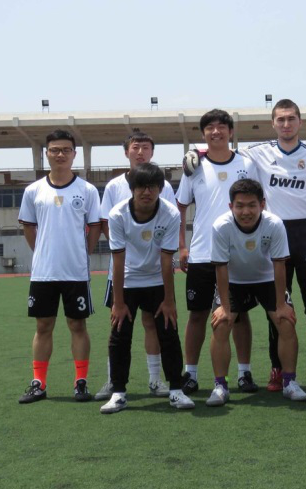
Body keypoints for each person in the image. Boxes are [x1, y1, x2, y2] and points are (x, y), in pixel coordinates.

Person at [242, 99, 306, 391]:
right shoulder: (258, 152)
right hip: (275, 234)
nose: (286, 124)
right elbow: (224, 155)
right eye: (281, 119)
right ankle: (278, 369)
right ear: (273, 124)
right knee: (278, 306)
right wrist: (196, 154)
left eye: (291, 119)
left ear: (300, 122)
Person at [176, 109, 260, 395]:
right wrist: (183, 246)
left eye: (221, 126)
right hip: (202, 253)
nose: (216, 131)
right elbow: (181, 206)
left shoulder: (246, 164)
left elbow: (259, 203)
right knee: (197, 315)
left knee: (240, 315)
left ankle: (244, 373)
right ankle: (190, 374)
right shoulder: (193, 166)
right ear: (203, 134)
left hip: (239, 255)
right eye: (210, 127)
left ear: (230, 132)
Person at [101, 163, 194, 413]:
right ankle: (118, 393)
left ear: (160, 189)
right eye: (141, 187)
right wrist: (118, 303)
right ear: (132, 189)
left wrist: (169, 300)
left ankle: (176, 390)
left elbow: (166, 259)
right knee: (120, 335)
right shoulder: (118, 214)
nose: (146, 192)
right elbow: (118, 259)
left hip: (156, 280)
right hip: (128, 280)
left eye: (152, 187)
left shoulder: (170, 214)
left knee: (169, 332)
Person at [17, 129, 102, 404]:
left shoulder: (87, 190)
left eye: (66, 150)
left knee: (78, 324)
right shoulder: (33, 191)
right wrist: (43, 252)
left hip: (75, 271)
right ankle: (39, 383)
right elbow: (29, 227)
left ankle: (80, 382)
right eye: (55, 150)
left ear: (74, 154)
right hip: (44, 272)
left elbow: (95, 226)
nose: (60, 154)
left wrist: (83, 252)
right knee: (43, 326)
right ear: (47, 154)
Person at [207, 179, 306, 406]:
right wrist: (224, 307)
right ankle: (220, 386)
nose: (246, 211)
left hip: (267, 279)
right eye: (240, 206)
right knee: (221, 324)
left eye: (252, 205)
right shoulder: (221, 226)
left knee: (286, 321)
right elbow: (220, 267)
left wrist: (281, 305)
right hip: (234, 281)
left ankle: (289, 382)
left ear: (262, 204)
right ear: (230, 206)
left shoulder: (274, 224)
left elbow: (279, 264)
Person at [95, 131, 177, 402]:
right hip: (123, 271)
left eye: (145, 147)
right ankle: (114, 383)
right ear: (126, 152)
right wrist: (126, 248)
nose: (140, 152)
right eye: (135, 147)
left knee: (154, 324)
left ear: (152, 152)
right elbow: (106, 223)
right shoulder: (114, 186)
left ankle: (155, 379)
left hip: (154, 272)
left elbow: (167, 225)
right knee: (119, 324)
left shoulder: (164, 187)